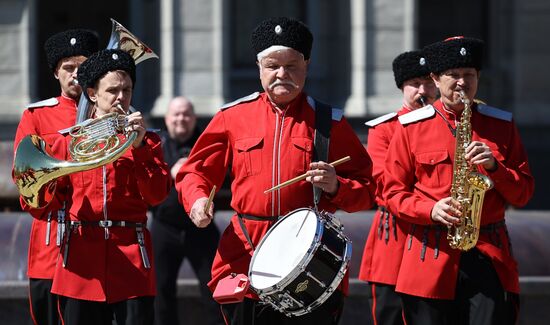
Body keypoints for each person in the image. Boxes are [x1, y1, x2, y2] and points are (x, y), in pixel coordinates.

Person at [176, 17, 376, 325]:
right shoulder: (232, 117)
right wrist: (197, 200)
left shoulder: (329, 122)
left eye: (292, 65)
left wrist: (337, 186)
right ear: (259, 67)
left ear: (306, 66)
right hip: (244, 254)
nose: (282, 74)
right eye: (273, 66)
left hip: (311, 262)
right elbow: (195, 172)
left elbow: (368, 190)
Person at [382, 36, 534, 324]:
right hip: (430, 257)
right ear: (435, 79)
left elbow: (524, 193)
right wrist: (430, 210)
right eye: (453, 75)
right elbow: (391, 193)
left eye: (469, 75)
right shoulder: (411, 128)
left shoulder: (501, 125)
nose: (462, 83)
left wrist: (495, 167)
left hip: (489, 256)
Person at [50, 49, 171, 325]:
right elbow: (46, 203)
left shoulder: (148, 142)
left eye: (127, 90)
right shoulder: (69, 142)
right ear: (92, 94)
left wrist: (139, 149)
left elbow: (157, 196)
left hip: (131, 261)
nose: (121, 97)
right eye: (113, 90)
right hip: (81, 263)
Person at [12, 29, 98, 325]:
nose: (76, 74)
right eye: (68, 68)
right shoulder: (36, 116)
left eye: (83, 66)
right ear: (56, 73)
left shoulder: (112, 115)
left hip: (97, 241)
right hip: (53, 241)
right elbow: (25, 180)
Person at [358, 49, 438, 325]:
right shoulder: (384, 129)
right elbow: (382, 181)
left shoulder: (447, 127)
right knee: (389, 313)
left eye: (429, 83)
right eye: (415, 84)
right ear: (403, 87)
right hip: (395, 235)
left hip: (433, 239)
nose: (423, 90)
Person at [151, 96, 223, 325]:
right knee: (160, 291)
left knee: (214, 288)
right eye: (176, 114)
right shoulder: (156, 144)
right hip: (165, 227)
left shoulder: (206, 143)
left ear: (193, 118)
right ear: (167, 118)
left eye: (186, 114)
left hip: (201, 228)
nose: (181, 119)